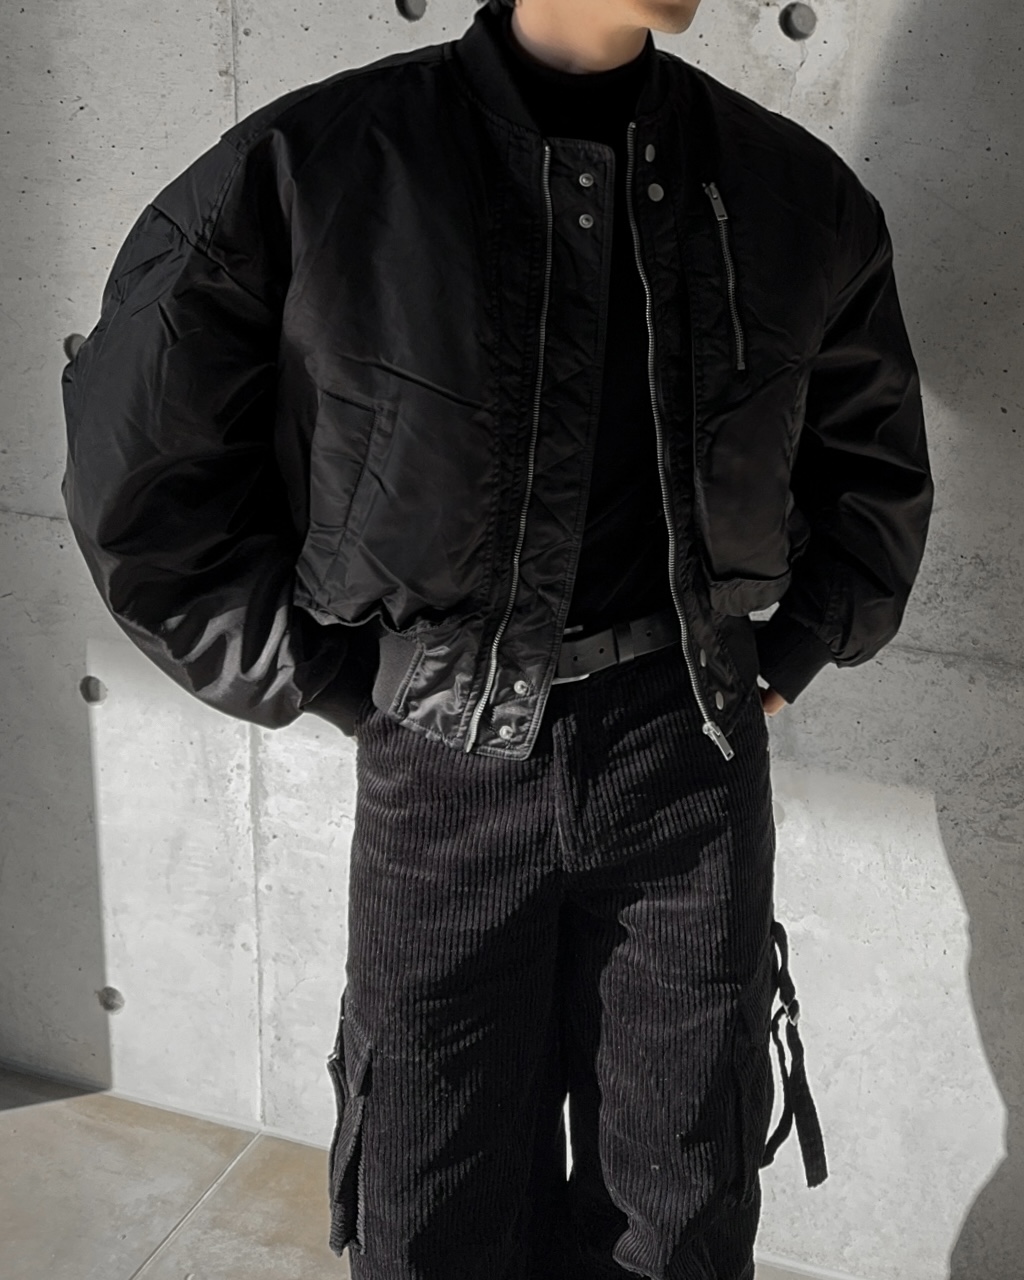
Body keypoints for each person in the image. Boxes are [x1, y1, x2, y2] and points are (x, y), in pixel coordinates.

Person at [59, 0, 934, 1275]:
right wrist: (335, 679)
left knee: (680, 1207)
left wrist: (796, 650)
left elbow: (872, 459)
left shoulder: (788, 190)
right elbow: (143, 464)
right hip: (440, 772)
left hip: (691, 760)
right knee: (434, 1199)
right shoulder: (317, 165)